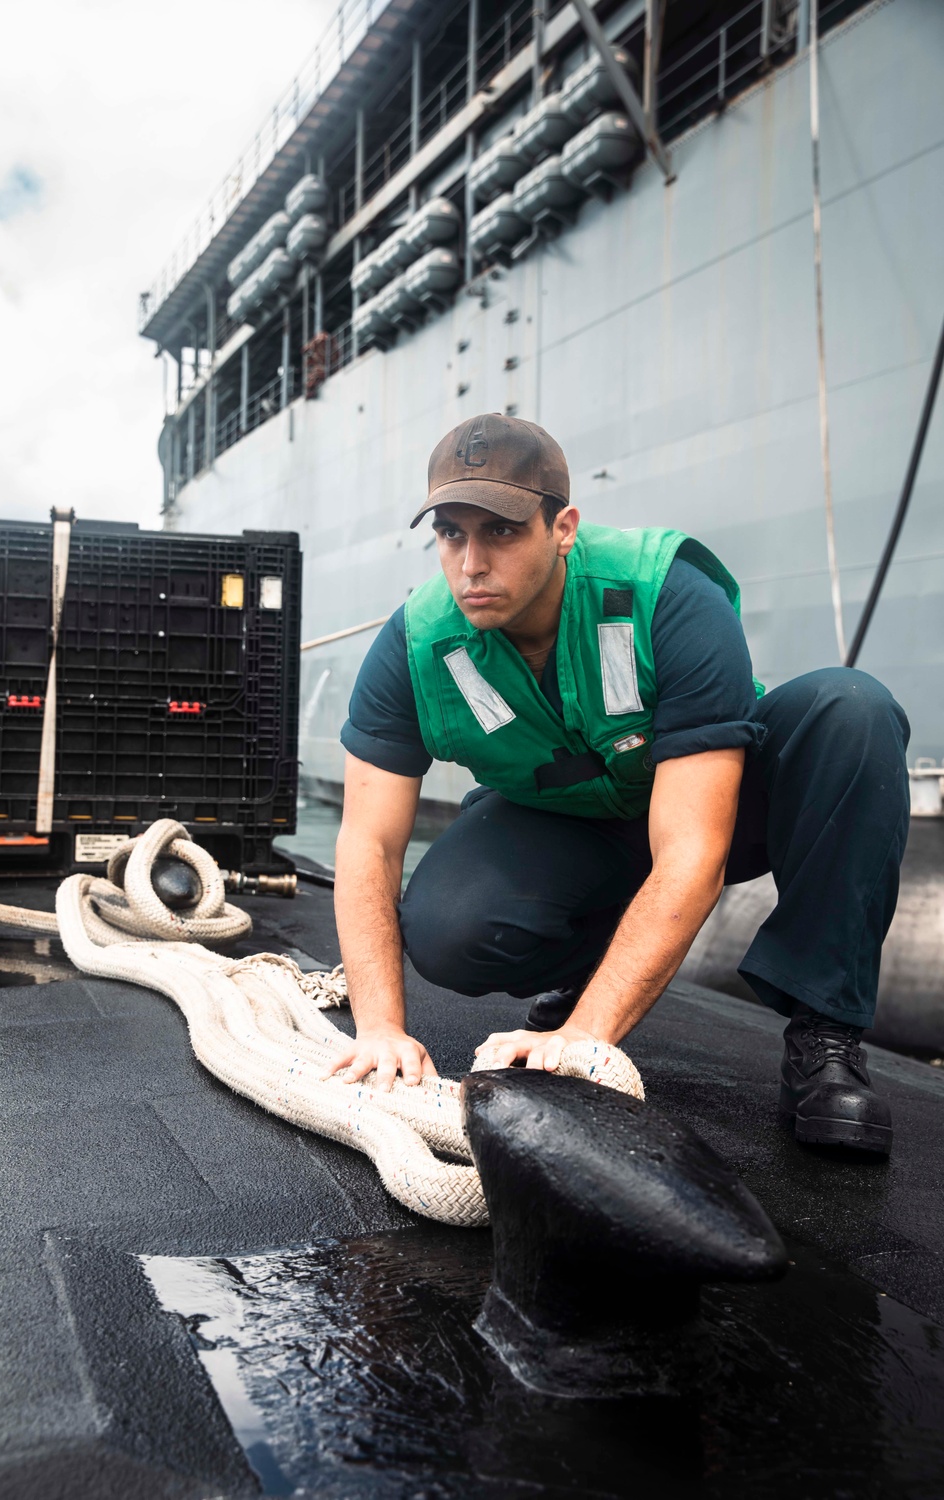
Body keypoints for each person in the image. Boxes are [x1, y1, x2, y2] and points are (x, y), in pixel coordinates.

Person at [328, 414, 910, 1156]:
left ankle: (826, 1037)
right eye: (451, 533)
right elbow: (368, 841)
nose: (471, 562)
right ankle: (590, 970)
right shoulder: (414, 644)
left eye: (501, 533)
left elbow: (693, 848)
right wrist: (379, 1029)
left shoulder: (667, 594)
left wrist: (585, 1038)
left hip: (713, 799)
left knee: (851, 710)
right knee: (451, 928)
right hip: (565, 819)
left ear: (562, 527)